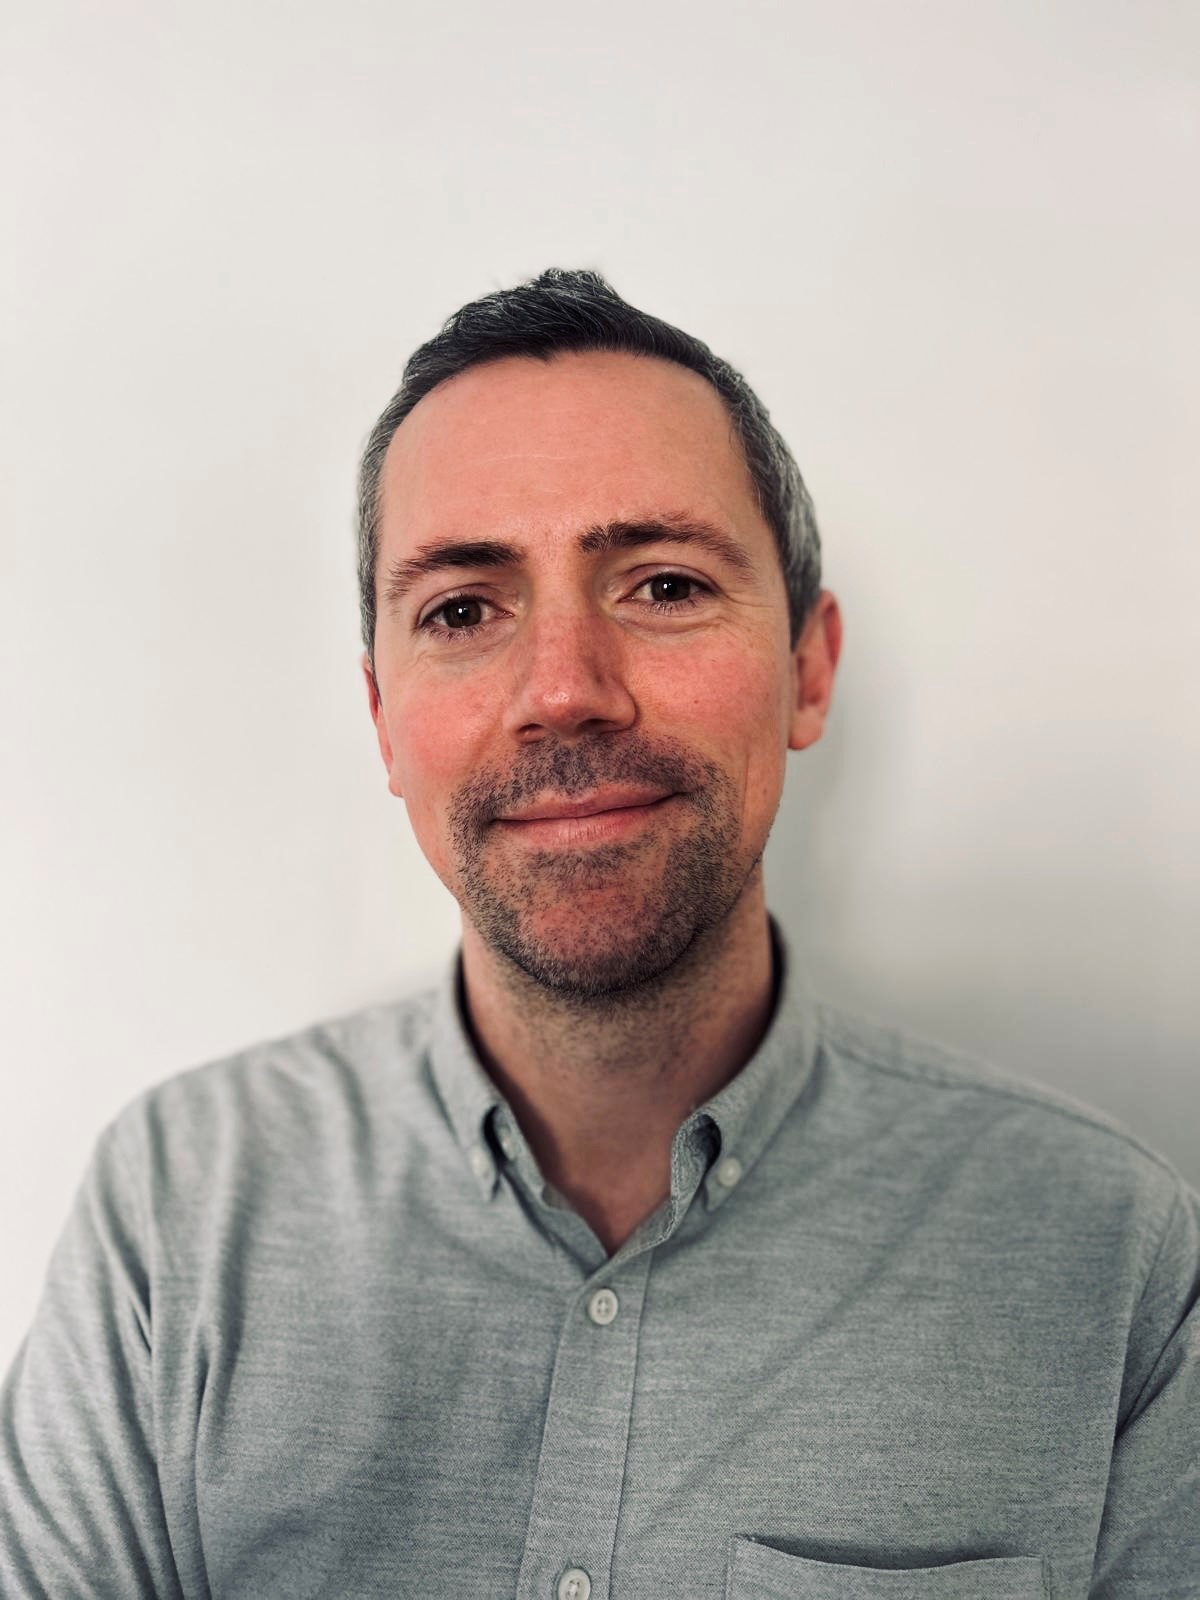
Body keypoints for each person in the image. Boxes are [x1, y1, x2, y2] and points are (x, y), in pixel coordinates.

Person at [0, 269, 1195, 1600]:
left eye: (665, 585)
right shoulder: (175, 1212)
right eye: (462, 610)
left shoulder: (1113, 1258)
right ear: (385, 719)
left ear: (809, 668)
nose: (564, 690)